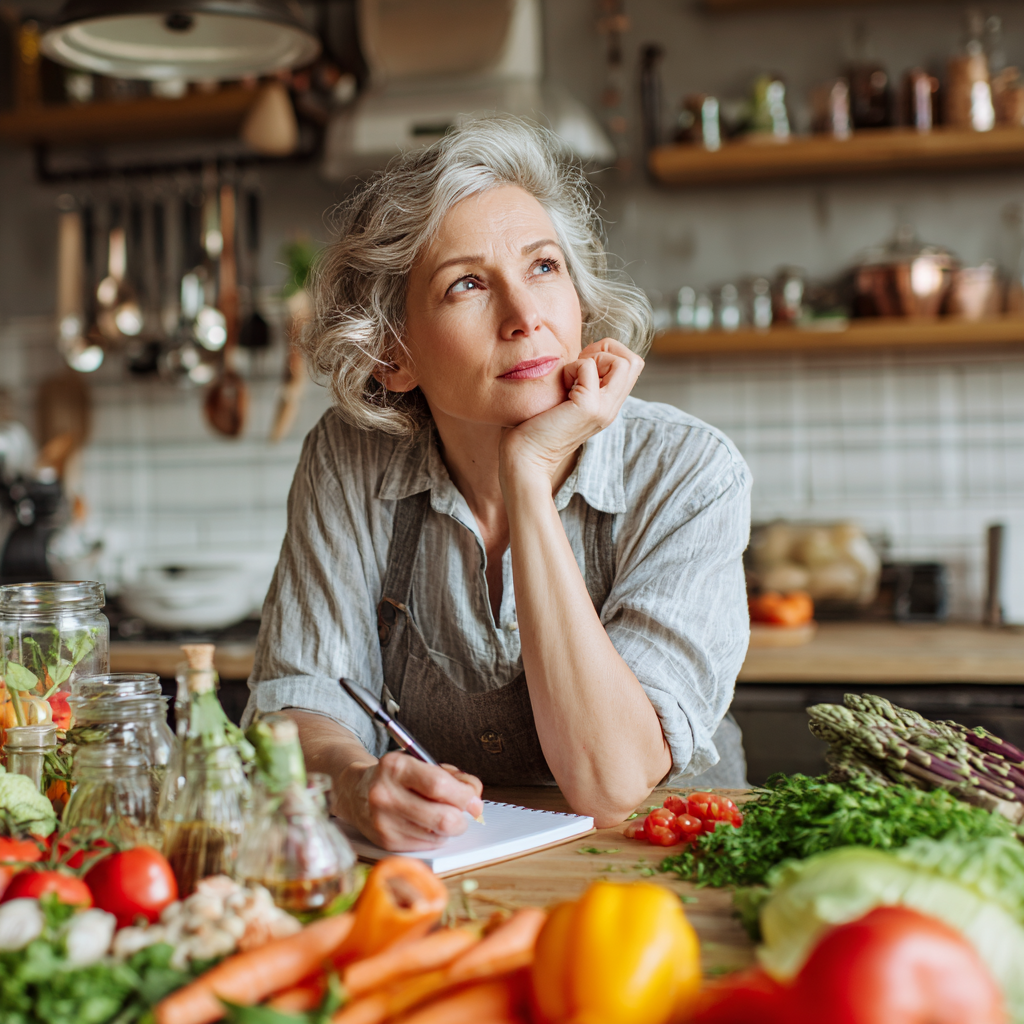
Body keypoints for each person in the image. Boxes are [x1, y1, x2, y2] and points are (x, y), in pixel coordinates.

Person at [242, 117, 751, 852]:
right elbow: (301, 697)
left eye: (544, 268)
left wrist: (526, 478)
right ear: (393, 355)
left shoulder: (688, 471)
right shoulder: (351, 458)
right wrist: (353, 782)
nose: (525, 317)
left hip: (663, 865)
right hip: (456, 868)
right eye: (468, 285)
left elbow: (612, 786)